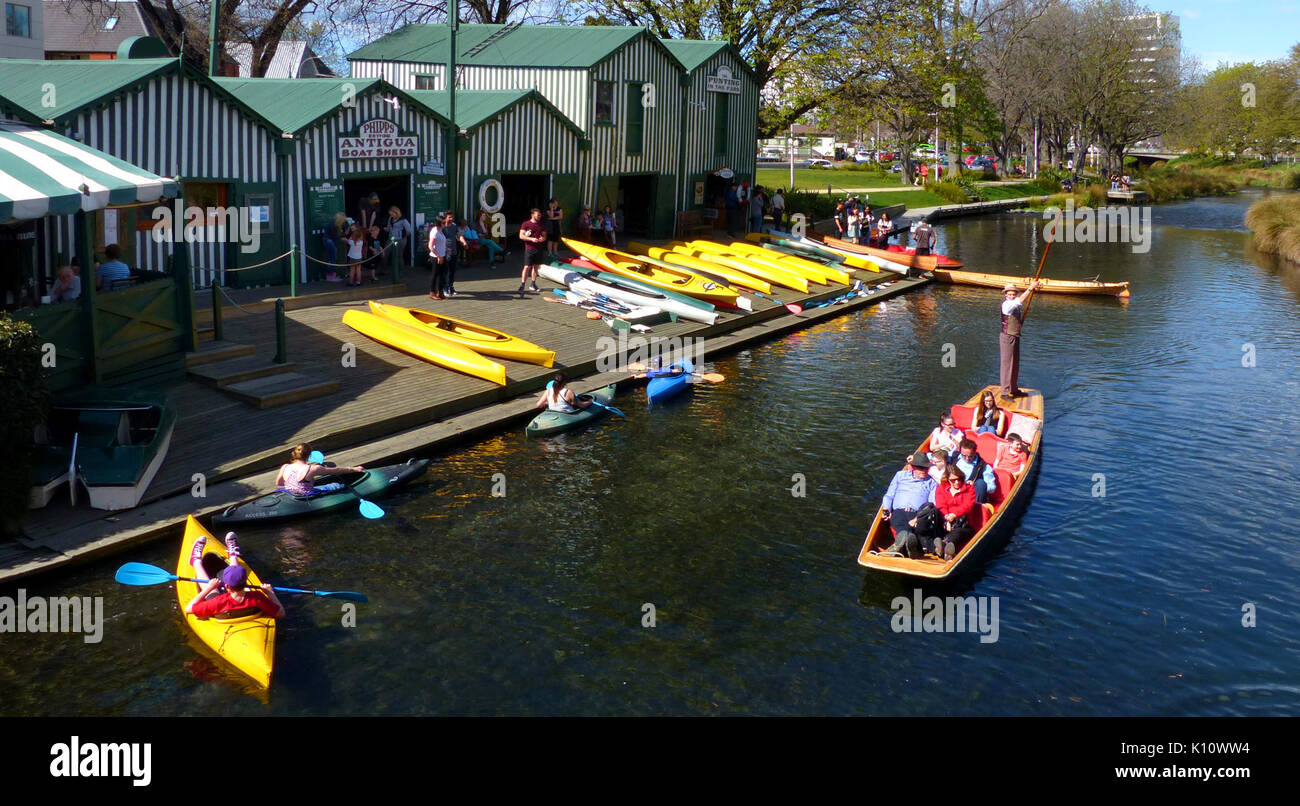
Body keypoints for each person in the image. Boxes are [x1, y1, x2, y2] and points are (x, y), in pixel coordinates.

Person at [184, 530, 285, 620]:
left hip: (221, 611)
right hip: (245, 613)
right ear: (246, 582)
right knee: (236, 572)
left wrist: (209, 588)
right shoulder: (257, 598)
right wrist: (270, 593)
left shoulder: (216, 602)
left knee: (212, 590)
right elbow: (281, 614)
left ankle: (195, 562)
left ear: (226, 586)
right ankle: (233, 556)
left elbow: (188, 609)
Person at [877, 452, 939, 558]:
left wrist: (918, 517)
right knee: (899, 522)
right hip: (898, 511)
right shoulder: (900, 476)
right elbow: (889, 495)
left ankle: (900, 545)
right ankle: (911, 546)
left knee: (910, 527)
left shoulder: (932, 483)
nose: (924, 471)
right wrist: (887, 509)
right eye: (921, 468)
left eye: (926, 468)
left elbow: (931, 504)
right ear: (913, 467)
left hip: (916, 514)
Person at [999, 280, 1041, 399]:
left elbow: (1017, 309)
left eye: (1013, 294)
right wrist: (1030, 288)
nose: (1012, 296)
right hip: (1007, 337)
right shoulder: (1006, 304)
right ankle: (1005, 392)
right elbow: (1020, 301)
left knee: (1015, 363)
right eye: (1010, 294)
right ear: (1006, 294)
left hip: (1015, 335)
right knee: (1006, 364)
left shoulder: (1014, 304)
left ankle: (1014, 388)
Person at [931, 467, 982, 561]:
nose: (957, 482)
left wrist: (954, 515)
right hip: (946, 521)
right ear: (947, 480)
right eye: (953, 480)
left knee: (958, 532)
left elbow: (967, 505)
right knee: (933, 513)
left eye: (959, 479)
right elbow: (941, 504)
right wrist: (947, 518)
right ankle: (944, 549)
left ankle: (945, 544)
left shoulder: (969, 489)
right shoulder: (941, 488)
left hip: (964, 524)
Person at [275, 443, 363, 497]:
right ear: (309, 455)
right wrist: (354, 469)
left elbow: (279, 483)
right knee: (336, 485)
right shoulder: (313, 469)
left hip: (290, 493)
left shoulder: (285, 466)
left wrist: (294, 484)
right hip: (304, 494)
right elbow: (336, 470)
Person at [952, 438, 996, 504]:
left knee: (980, 483)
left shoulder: (984, 467)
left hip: (971, 495)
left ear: (975, 452)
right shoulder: (955, 457)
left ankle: (975, 510)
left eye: (970, 456)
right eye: (964, 456)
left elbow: (992, 488)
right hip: (954, 491)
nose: (967, 459)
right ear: (960, 451)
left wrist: (973, 486)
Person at [518, 208, 547, 293]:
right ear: (532, 215)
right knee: (527, 267)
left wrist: (542, 239)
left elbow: (544, 236)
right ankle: (522, 285)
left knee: (536, 267)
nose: (539, 216)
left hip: (539, 249)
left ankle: (533, 284)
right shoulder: (526, 224)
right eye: (537, 215)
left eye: (540, 215)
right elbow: (521, 236)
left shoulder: (541, 225)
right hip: (529, 249)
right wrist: (531, 239)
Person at [439, 212, 467, 297]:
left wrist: (464, 242)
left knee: (452, 271)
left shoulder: (454, 226)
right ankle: (444, 288)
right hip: (445, 252)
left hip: (454, 251)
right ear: (445, 218)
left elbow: (459, 235)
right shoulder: (443, 227)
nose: (451, 219)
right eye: (449, 217)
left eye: (452, 217)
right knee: (445, 271)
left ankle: (451, 287)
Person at [385, 206, 413, 272]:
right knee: (385, 253)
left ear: (396, 213)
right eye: (390, 214)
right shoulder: (390, 218)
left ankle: (400, 271)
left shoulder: (403, 220)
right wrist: (386, 229)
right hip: (391, 239)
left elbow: (409, 231)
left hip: (400, 240)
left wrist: (402, 236)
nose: (391, 215)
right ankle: (383, 270)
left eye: (392, 214)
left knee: (399, 255)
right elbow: (389, 227)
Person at [428, 214, 447, 299]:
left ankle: (440, 291)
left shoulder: (441, 231)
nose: (445, 224)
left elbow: (441, 243)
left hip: (442, 255)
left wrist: (446, 250)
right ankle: (432, 292)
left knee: (442, 275)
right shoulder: (435, 231)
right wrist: (438, 256)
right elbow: (430, 246)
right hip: (436, 257)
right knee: (435, 274)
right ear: (439, 223)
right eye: (443, 222)